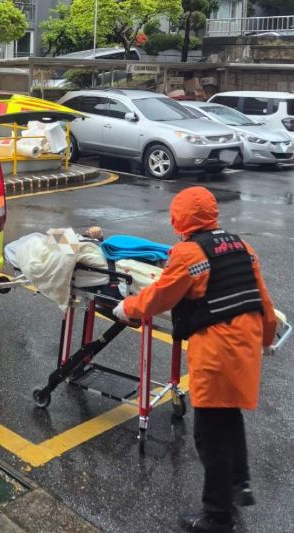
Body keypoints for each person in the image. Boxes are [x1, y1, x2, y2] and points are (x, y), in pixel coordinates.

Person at [112, 186, 277, 533]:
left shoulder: (189, 253)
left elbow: (160, 296)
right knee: (229, 416)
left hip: (217, 352)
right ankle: (239, 483)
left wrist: (127, 307)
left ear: (179, 219)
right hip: (246, 346)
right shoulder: (242, 247)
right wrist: (266, 339)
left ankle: (216, 516)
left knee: (209, 434)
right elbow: (262, 300)